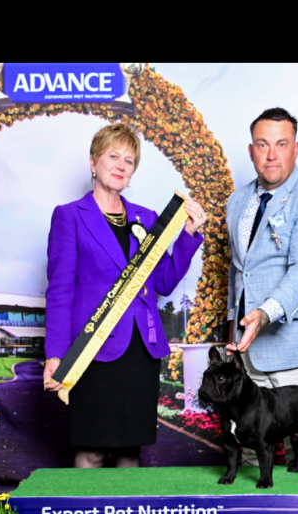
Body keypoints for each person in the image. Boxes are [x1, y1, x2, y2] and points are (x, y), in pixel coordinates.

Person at [43, 124, 205, 468]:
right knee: (91, 449)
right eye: (113, 156)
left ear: (132, 173)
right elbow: (59, 291)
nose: (120, 165)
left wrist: (187, 236)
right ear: (93, 163)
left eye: (128, 161)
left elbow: (164, 283)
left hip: (140, 351)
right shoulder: (69, 216)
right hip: (92, 350)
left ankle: (125, 507)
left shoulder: (148, 218)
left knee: (130, 450)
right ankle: (88, 506)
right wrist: (55, 354)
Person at [225, 107, 298, 468]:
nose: (271, 154)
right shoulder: (236, 201)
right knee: (251, 456)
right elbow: (240, 273)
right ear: (251, 150)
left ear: (295, 149)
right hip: (249, 351)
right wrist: (234, 328)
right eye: (263, 144)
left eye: (281, 144)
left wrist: (265, 314)